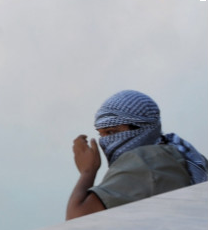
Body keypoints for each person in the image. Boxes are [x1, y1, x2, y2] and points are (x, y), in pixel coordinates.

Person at [66, 89, 207, 220]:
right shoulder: (175, 153)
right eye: (101, 134)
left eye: (111, 132)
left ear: (143, 129)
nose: (104, 142)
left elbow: (76, 218)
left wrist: (87, 171)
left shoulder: (145, 161)